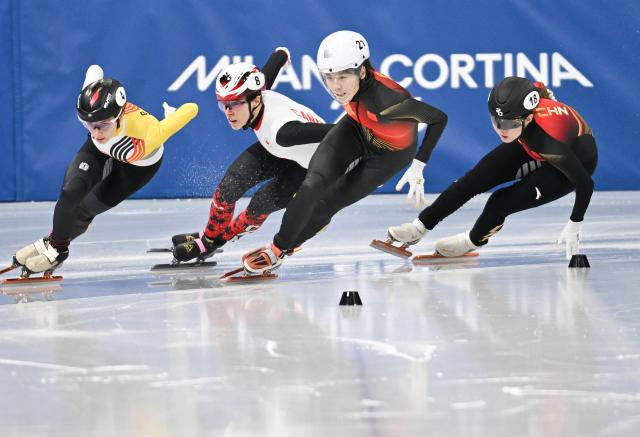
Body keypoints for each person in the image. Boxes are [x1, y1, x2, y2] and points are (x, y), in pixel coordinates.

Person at [241, 30, 448, 275]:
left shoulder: (388, 102)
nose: (336, 87)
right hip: (357, 127)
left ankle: (287, 246)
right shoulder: (352, 89)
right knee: (311, 186)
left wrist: (419, 164)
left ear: (361, 71)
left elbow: (438, 118)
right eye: (329, 77)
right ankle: (277, 249)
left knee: (327, 204)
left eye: (343, 76)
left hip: (389, 154)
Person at [12, 65, 198, 275]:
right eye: (88, 125)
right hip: (101, 150)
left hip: (137, 165)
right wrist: (96, 121)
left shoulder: (146, 136)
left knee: (85, 210)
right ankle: (56, 245)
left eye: (103, 124)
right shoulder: (91, 111)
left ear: (119, 115)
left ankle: (55, 247)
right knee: (70, 193)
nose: (96, 131)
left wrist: (173, 115)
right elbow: (94, 71)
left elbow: (191, 109)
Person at [387, 76, 597, 260]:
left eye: (508, 125)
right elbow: (539, 88)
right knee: (472, 180)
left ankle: (472, 241)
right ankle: (419, 227)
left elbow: (585, 183)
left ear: (529, 118)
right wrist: (515, 122)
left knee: (500, 202)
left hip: (573, 163)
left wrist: (575, 223)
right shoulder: (521, 106)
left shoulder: (547, 142)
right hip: (530, 139)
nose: (501, 130)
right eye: (496, 122)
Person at [171, 48, 335, 262]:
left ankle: (217, 241)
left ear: (256, 100)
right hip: (280, 151)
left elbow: (336, 132)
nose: (229, 112)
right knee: (229, 186)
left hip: (308, 168)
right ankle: (208, 239)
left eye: (235, 104)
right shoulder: (257, 93)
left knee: (259, 204)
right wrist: (281, 55)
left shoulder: (282, 131)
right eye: (224, 105)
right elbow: (271, 68)